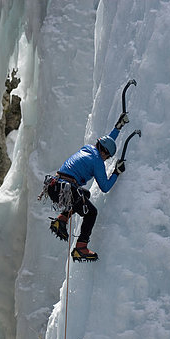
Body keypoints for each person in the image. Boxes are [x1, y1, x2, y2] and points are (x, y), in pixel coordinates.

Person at [42, 112, 128, 261]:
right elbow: (105, 187)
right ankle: (81, 247)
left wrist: (118, 128)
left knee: (85, 195)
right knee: (91, 213)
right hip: (66, 189)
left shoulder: (88, 149)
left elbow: (106, 143)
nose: (106, 159)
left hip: (55, 185)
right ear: (103, 152)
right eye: (107, 156)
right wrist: (116, 172)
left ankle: (61, 220)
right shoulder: (97, 162)